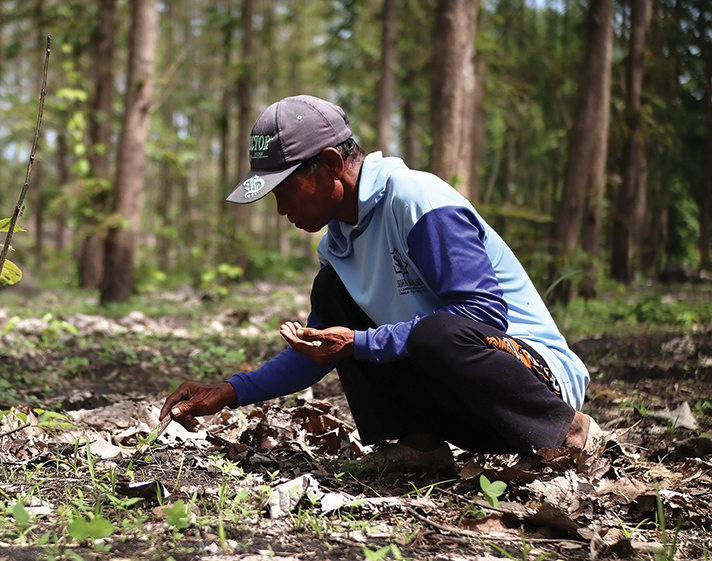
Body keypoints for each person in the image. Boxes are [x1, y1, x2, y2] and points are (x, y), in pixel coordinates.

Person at [160, 95, 602, 470]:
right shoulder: (337, 246)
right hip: (468, 410)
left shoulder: (416, 199)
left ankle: (571, 431)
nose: (281, 209)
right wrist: (230, 391)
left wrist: (359, 343)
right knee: (334, 296)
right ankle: (419, 444)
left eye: (285, 190)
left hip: (533, 390)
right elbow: (317, 351)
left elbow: (481, 315)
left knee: (434, 331)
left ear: (331, 164)